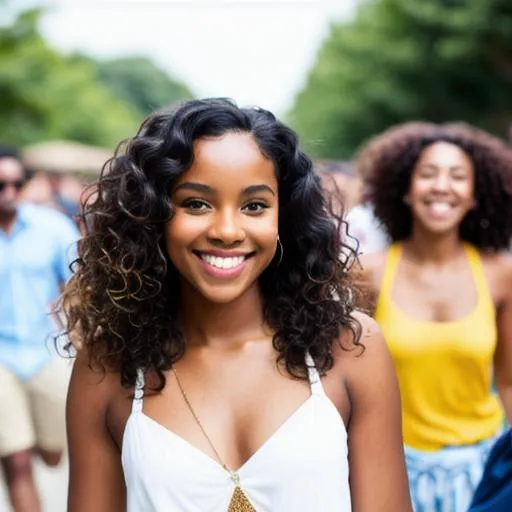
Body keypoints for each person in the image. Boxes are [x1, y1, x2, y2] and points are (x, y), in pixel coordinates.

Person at [63, 98, 412, 511]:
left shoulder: (351, 346)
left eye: (254, 206)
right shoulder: (107, 366)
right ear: (151, 215)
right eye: (196, 203)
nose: (227, 231)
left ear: (286, 217)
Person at [355, 122, 512, 512]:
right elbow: (348, 380)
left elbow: (509, 382)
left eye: (458, 176)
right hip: (393, 471)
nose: (442, 186)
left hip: (483, 477)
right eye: (428, 174)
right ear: (405, 190)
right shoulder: (367, 273)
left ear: (475, 195)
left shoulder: (501, 275)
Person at [0, 145, 79, 511]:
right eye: (1, 185)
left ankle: (25, 434)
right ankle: (13, 437)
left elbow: (76, 291)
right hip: (1, 360)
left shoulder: (53, 228)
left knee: (52, 453)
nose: (10, 192)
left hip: (45, 352)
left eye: (19, 182)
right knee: (15, 462)